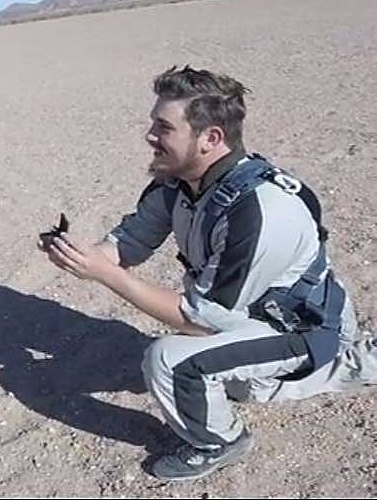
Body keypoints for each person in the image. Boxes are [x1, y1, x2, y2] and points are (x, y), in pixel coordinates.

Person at [41, 65, 376, 482]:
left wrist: (108, 276)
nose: (149, 136)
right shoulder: (178, 183)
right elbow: (129, 243)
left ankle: (220, 443)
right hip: (245, 310)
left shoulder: (259, 211)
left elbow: (198, 319)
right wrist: (81, 255)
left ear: (210, 138)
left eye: (163, 127)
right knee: (225, 374)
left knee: (172, 361)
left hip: (302, 328)